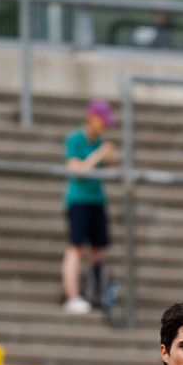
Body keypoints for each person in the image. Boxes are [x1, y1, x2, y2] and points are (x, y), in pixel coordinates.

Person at [61, 100, 116, 315]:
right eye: (102, 121)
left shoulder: (99, 142)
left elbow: (108, 164)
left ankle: (96, 292)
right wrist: (99, 155)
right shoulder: (75, 139)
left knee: (98, 250)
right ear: (91, 118)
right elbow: (76, 169)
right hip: (79, 200)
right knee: (75, 247)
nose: (105, 126)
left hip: (97, 200)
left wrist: (109, 155)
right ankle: (72, 295)